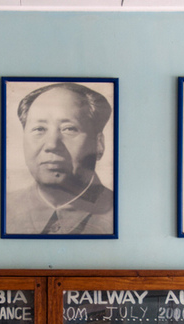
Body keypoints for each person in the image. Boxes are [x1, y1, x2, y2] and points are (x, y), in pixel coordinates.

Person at [6, 83, 114, 235]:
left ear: (99, 144)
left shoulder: (122, 213)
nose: (51, 145)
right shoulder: (2, 208)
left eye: (69, 129)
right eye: (39, 129)